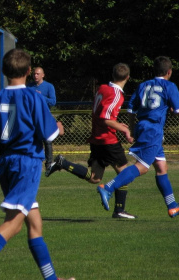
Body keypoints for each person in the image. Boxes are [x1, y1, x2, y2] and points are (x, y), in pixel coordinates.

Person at [0, 48, 73, 280]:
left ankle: (51, 278)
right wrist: (58, 128)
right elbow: (49, 135)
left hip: (5, 164)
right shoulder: (34, 97)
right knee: (14, 223)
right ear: (29, 72)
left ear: (3, 71)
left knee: (35, 223)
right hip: (27, 163)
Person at [96, 56, 179, 218]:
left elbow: (131, 110)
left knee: (161, 168)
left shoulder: (143, 85)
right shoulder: (169, 86)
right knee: (142, 167)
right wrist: (170, 107)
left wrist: (132, 130)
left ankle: (172, 206)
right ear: (169, 72)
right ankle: (108, 187)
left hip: (143, 126)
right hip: (153, 129)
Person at [46, 63, 137, 219]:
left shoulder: (102, 88)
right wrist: (126, 129)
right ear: (128, 77)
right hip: (108, 140)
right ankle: (119, 210)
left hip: (97, 138)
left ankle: (63, 163)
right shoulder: (117, 95)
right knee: (125, 173)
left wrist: (118, 124)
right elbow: (106, 118)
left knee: (95, 177)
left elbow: (104, 115)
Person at [27, 67, 57, 173]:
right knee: (33, 141)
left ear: (43, 75)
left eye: (38, 74)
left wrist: (40, 97)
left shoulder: (49, 86)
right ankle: (34, 163)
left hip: (44, 117)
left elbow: (53, 102)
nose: (35, 76)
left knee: (47, 141)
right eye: (34, 74)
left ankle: (49, 164)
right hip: (32, 118)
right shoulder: (29, 86)